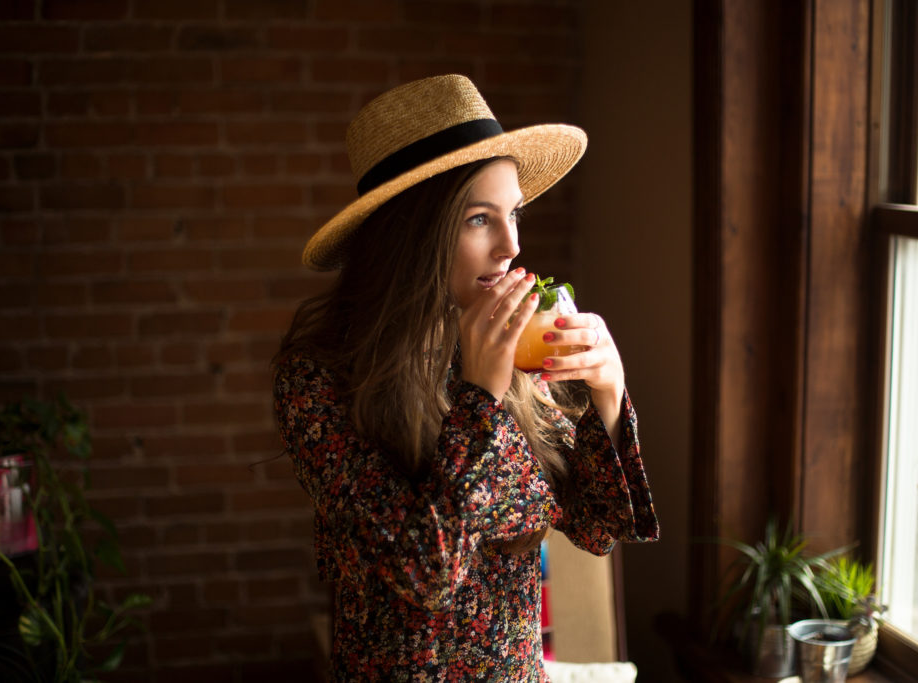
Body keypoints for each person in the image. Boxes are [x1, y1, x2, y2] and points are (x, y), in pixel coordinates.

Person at [272, 74, 659, 681]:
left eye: (514, 214)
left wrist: (608, 396)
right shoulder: (320, 381)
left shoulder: (503, 346)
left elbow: (597, 528)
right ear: (414, 235)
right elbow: (424, 573)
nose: (511, 245)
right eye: (481, 219)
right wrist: (479, 398)